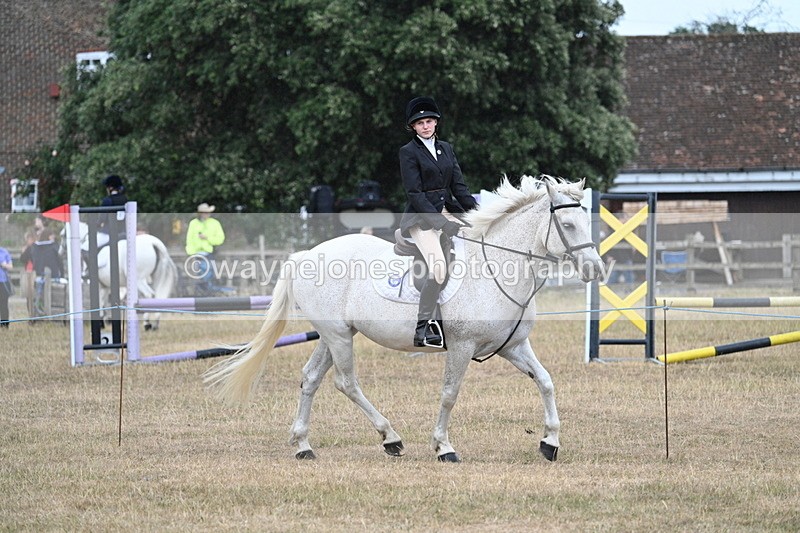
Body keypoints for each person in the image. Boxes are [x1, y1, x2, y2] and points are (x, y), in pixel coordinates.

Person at [399, 96, 478, 348]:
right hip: (421, 217)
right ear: (413, 126)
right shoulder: (408, 152)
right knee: (439, 268)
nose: (425, 125)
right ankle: (425, 327)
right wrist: (443, 224)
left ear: (436, 123)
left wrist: (479, 215)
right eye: (420, 122)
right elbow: (415, 194)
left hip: (446, 210)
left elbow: (459, 187)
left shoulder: (447, 148)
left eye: (429, 121)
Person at [185, 203, 226, 292]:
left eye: (207, 212)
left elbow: (220, 239)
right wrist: (190, 252)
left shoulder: (215, 223)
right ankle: (201, 293)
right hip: (196, 255)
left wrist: (207, 238)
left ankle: (209, 292)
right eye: (204, 213)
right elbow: (189, 238)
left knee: (208, 275)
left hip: (209, 253)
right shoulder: (193, 223)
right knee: (198, 276)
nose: (206, 214)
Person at [98, 174, 128, 248]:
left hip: (108, 232)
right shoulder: (126, 200)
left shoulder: (107, 201)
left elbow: (102, 219)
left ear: (110, 188)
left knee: (88, 246)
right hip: (124, 232)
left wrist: (97, 224)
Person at [0, 246, 12, 328]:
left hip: (3, 282)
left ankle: (4, 325)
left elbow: (10, 267)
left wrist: (4, 265)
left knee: (4, 304)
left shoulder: (4, 252)